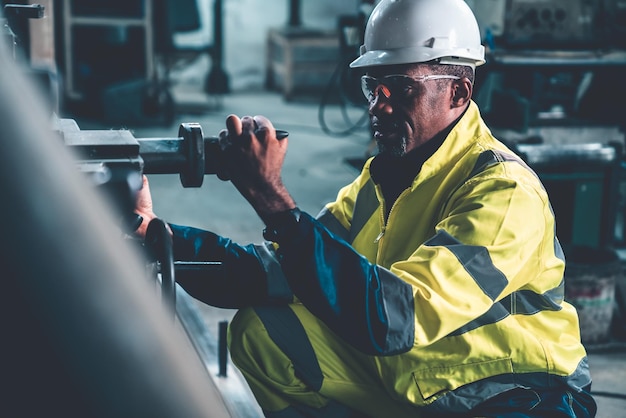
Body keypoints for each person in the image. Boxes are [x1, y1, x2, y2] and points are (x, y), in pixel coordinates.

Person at [134, 0, 597, 416]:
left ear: (459, 91)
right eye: (372, 85)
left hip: (517, 393)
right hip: (421, 381)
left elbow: (393, 318)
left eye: (400, 87)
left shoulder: (502, 193)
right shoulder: (383, 180)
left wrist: (271, 198)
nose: (379, 104)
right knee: (265, 335)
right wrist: (157, 235)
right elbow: (282, 274)